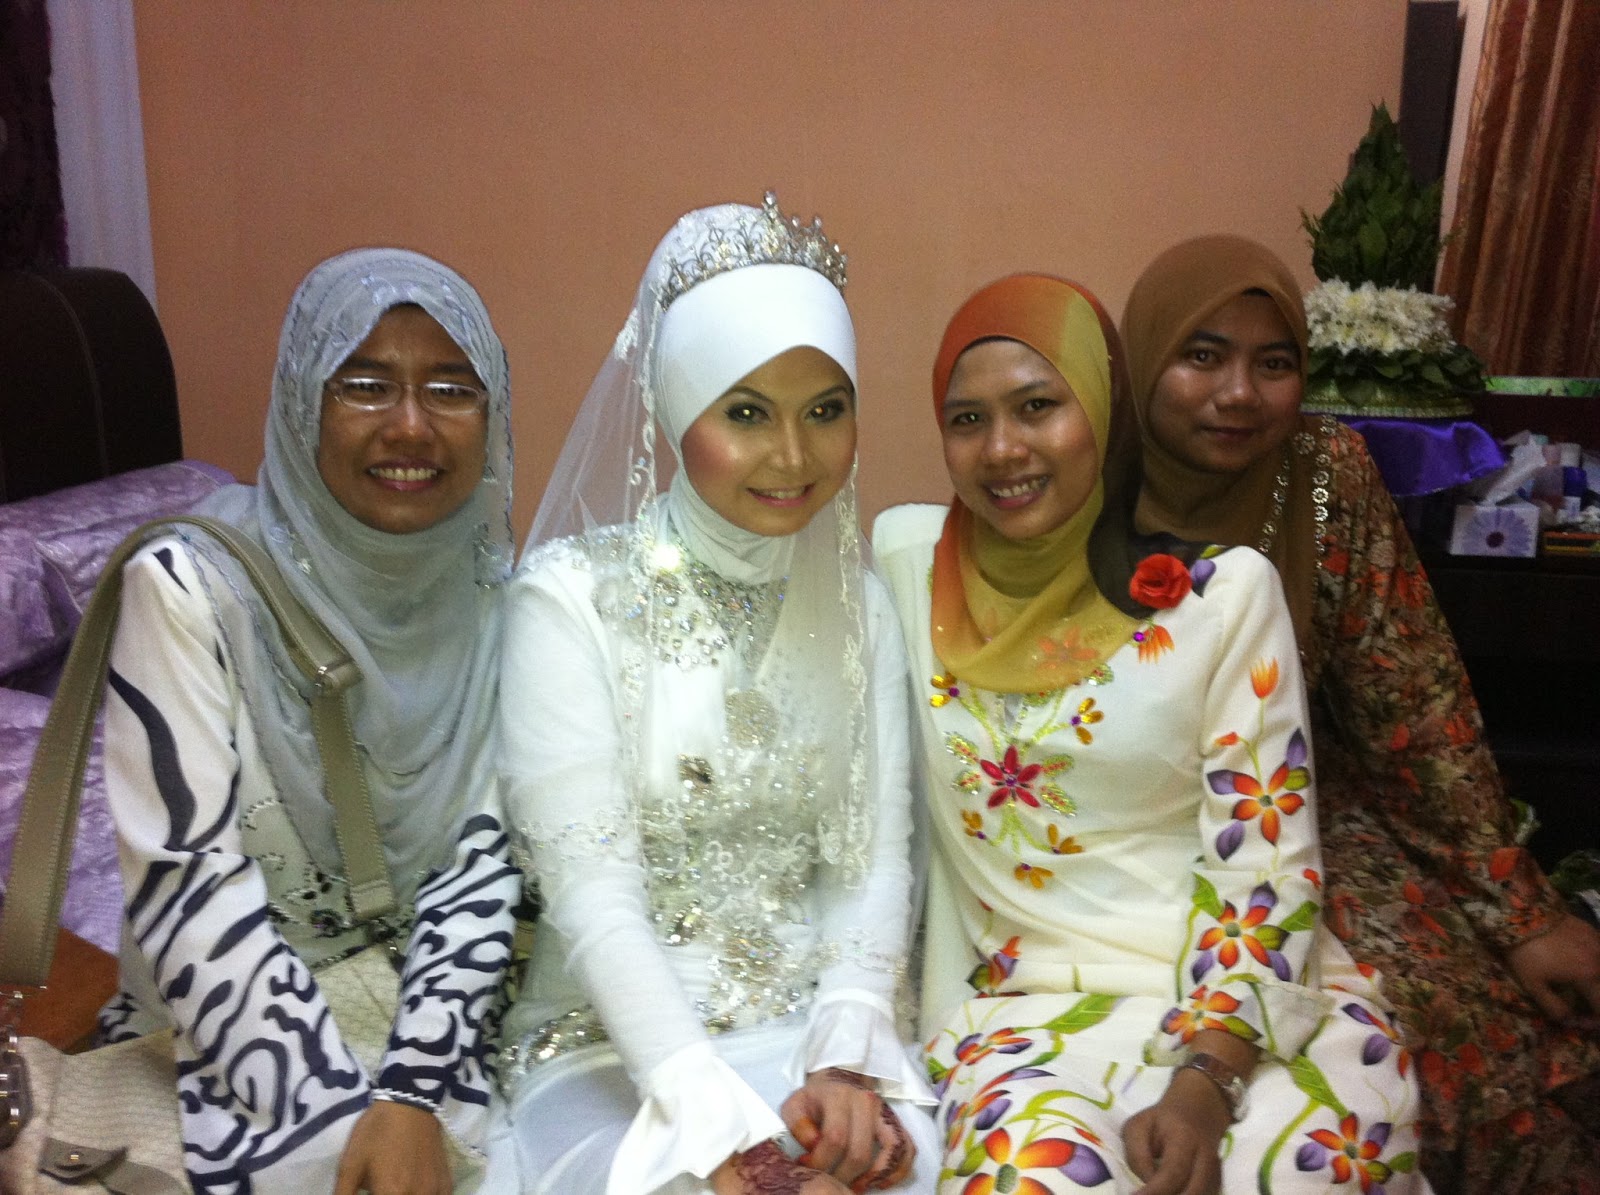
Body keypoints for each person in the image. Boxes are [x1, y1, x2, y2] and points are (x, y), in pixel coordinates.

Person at [873, 273, 1422, 1194]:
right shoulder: (908, 566)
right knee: (1027, 1177)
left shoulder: (1220, 599)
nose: (1003, 448)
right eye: (967, 419)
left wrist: (1206, 1080)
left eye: (1038, 406)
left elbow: (1267, 858)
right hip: (1025, 1010)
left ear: (1103, 410)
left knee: (1309, 1170)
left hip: (1237, 1005)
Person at [1120, 234, 1600, 1192]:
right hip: (1127, 829)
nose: (1239, 394)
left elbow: (1414, 703)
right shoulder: (1080, 468)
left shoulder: (1321, 472)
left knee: (1488, 1009)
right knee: (1393, 1022)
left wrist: (1517, 909)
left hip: (1306, 811)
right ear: (1143, 357)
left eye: (1275, 362)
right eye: (1202, 355)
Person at [494, 195, 937, 1195]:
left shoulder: (861, 607)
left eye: (825, 409)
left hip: (810, 1040)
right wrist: (712, 1120)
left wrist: (846, 1052)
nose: (793, 454)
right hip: (612, 1052)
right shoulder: (570, 602)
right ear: (674, 410)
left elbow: (871, 860)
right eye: (745, 412)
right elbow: (592, 895)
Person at [96, 249, 522, 1194]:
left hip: (435, 1013)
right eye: (363, 384)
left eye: (451, 388)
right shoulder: (187, 587)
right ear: (301, 402)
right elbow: (188, 889)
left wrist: (410, 1092)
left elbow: (482, 857)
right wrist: (343, 1129)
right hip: (225, 1025)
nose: (410, 425)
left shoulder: (495, 590)